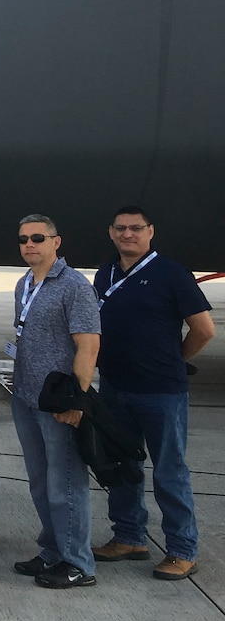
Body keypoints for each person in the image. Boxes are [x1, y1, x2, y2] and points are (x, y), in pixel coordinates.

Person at [91, 205, 215, 580]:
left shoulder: (172, 274)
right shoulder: (106, 273)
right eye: (121, 229)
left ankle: (182, 549)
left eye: (136, 228)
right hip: (115, 387)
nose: (128, 234)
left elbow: (204, 329)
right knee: (122, 466)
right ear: (111, 233)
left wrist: (174, 360)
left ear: (150, 232)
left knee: (169, 470)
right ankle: (129, 537)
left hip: (160, 391)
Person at [10, 214, 101, 589]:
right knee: (40, 482)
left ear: (55, 242)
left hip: (58, 402)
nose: (29, 244)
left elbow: (88, 345)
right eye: (23, 239)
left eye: (37, 238)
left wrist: (76, 400)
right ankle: (52, 551)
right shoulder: (24, 283)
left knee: (66, 484)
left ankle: (78, 562)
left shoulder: (74, 286)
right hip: (25, 396)